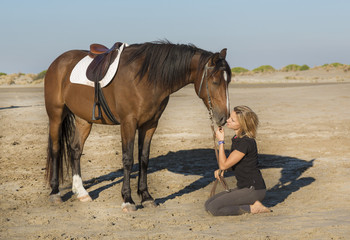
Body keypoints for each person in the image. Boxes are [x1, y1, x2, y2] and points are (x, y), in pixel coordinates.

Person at [205, 105, 271, 216]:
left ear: (242, 124)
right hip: (243, 187)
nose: (227, 120)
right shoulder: (237, 139)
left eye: (232, 119)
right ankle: (249, 206)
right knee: (208, 204)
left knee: (213, 208)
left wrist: (221, 142)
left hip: (254, 190)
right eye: (229, 117)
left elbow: (224, 164)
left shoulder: (246, 142)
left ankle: (253, 208)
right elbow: (235, 164)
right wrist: (222, 170)